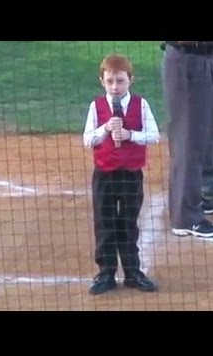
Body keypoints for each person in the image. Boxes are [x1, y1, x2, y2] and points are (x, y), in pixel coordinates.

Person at [83, 54, 160, 295]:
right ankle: (106, 273)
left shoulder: (141, 104)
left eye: (120, 81)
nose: (115, 87)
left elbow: (155, 135)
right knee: (104, 224)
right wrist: (105, 129)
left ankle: (132, 272)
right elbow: (87, 140)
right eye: (110, 81)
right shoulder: (96, 107)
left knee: (128, 224)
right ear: (102, 81)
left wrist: (131, 135)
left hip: (130, 175)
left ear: (130, 80)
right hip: (104, 175)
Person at [162, 41, 213, 238]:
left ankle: (191, 200)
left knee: (196, 141)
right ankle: (186, 218)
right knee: (188, 143)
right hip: (188, 62)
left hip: (200, 59)